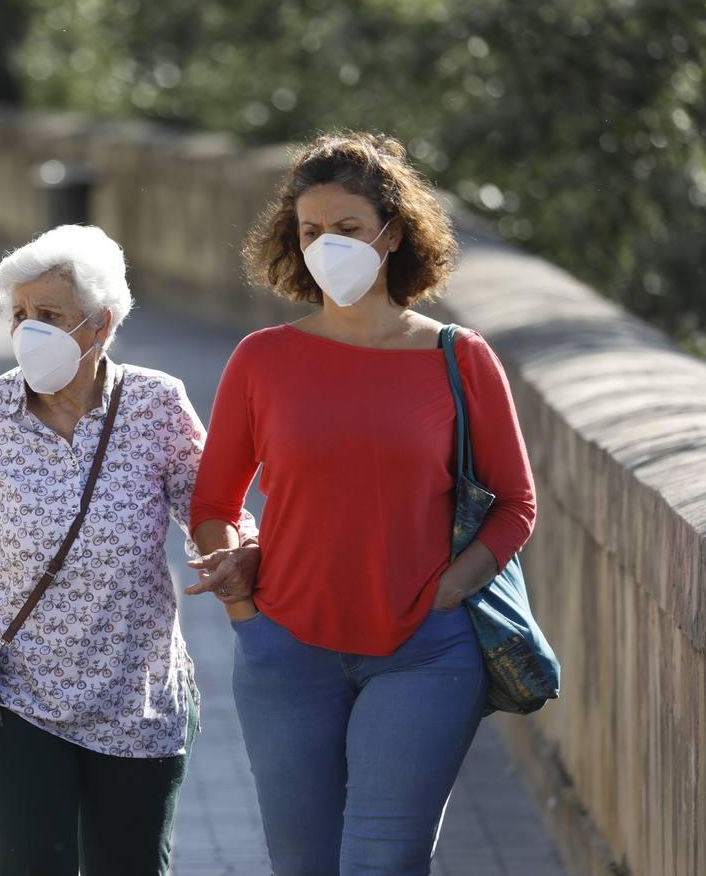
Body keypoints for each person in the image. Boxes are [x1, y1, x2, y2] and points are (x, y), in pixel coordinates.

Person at [186, 132, 537, 875]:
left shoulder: (458, 357)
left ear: (393, 233)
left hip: (425, 656)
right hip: (284, 650)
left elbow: (515, 504)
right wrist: (241, 596)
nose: (326, 247)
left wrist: (451, 591)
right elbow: (214, 499)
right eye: (311, 232)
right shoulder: (263, 360)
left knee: (384, 864)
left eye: (346, 229)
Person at [0, 224, 258, 876]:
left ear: (101, 325)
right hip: (16, 695)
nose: (29, 329)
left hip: (137, 696)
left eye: (51, 315)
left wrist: (241, 553)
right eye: (20, 315)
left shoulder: (155, 403)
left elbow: (212, 510)